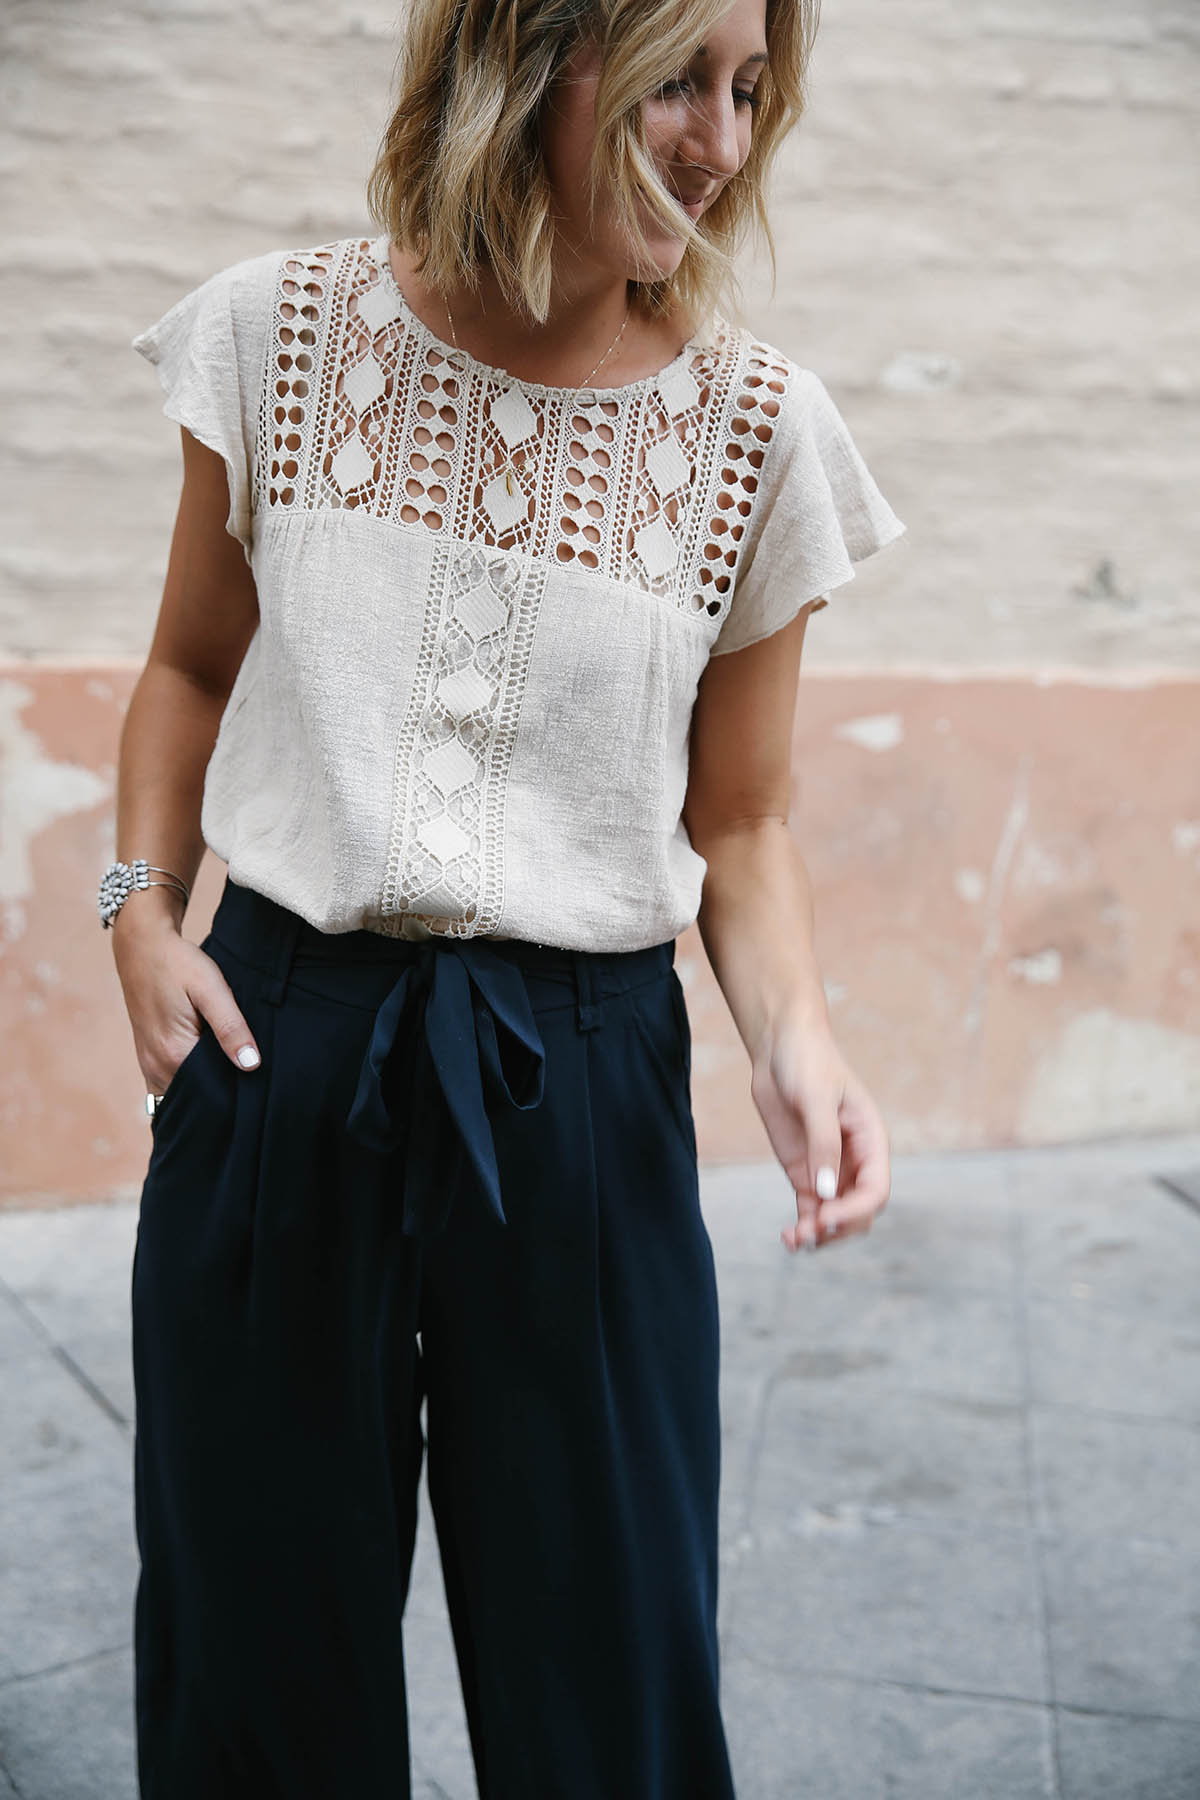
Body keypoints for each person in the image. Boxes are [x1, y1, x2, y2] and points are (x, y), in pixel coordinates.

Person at [106, 0, 905, 1793]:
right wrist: (137, 913)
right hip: (277, 1052)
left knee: (610, 1685)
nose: (722, 137)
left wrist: (800, 1039)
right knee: (253, 1684)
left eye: (749, 88)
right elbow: (181, 669)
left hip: (584, 1091)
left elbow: (747, 826)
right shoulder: (278, 339)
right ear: (528, 59)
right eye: (676, 80)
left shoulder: (754, 433)